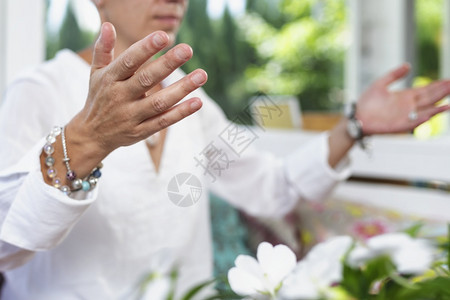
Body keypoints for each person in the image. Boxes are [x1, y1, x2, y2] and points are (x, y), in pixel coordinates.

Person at [0, 0, 449, 299]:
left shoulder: (192, 103)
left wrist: (353, 126)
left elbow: (271, 187)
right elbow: (6, 243)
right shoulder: (39, 92)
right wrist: (88, 141)